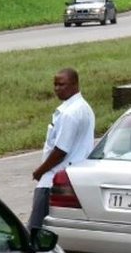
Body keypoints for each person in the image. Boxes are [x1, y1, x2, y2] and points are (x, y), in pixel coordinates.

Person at [29, 68, 95, 230]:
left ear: (75, 85)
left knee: (36, 229)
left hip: (53, 179)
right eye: (55, 85)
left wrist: (40, 171)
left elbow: (60, 151)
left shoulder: (69, 114)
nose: (57, 89)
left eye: (62, 84)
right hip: (74, 176)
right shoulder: (84, 108)